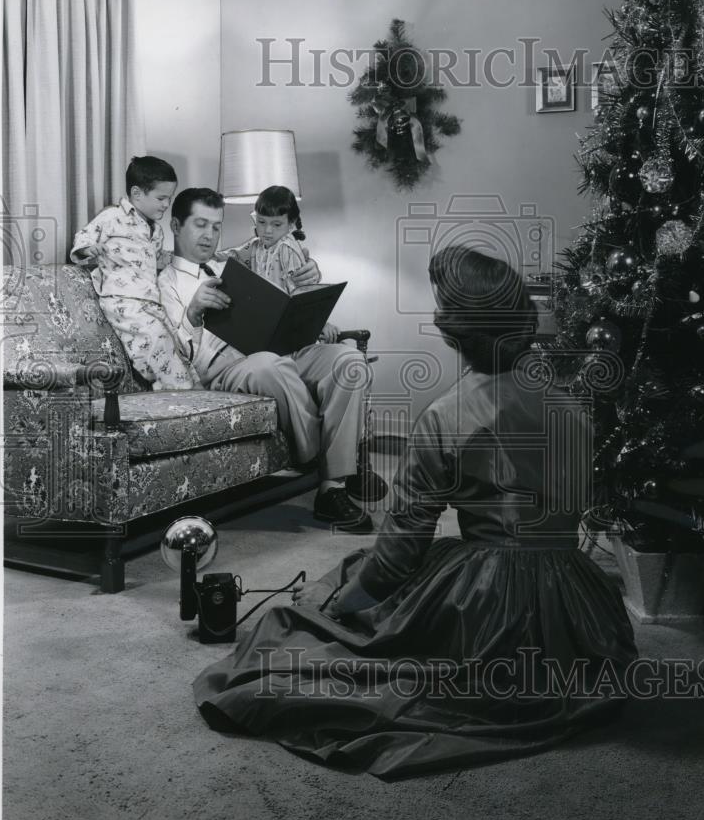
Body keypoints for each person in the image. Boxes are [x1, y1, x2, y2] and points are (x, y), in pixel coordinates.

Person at [192, 245, 638, 780]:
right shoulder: (573, 404)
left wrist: (338, 608)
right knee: (366, 574)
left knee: (314, 623)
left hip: (492, 605)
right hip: (576, 598)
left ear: (450, 333)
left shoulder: (445, 416)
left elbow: (399, 553)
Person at [158, 187, 372, 532]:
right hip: (228, 367)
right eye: (200, 225)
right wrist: (194, 311)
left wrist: (310, 276)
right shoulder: (165, 281)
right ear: (177, 226)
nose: (209, 235)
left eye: (216, 226)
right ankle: (334, 471)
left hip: (280, 348)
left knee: (348, 361)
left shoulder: (231, 262)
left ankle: (333, 485)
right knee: (268, 365)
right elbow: (178, 355)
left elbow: (275, 288)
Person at [70, 156, 200, 390]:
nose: (165, 205)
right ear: (137, 193)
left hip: (150, 301)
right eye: (161, 198)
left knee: (174, 341)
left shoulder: (156, 230)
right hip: (123, 300)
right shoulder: (112, 217)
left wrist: (185, 258)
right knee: (153, 338)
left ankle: (186, 389)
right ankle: (178, 390)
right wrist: (90, 248)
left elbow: (156, 259)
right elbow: (83, 237)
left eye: (168, 199)